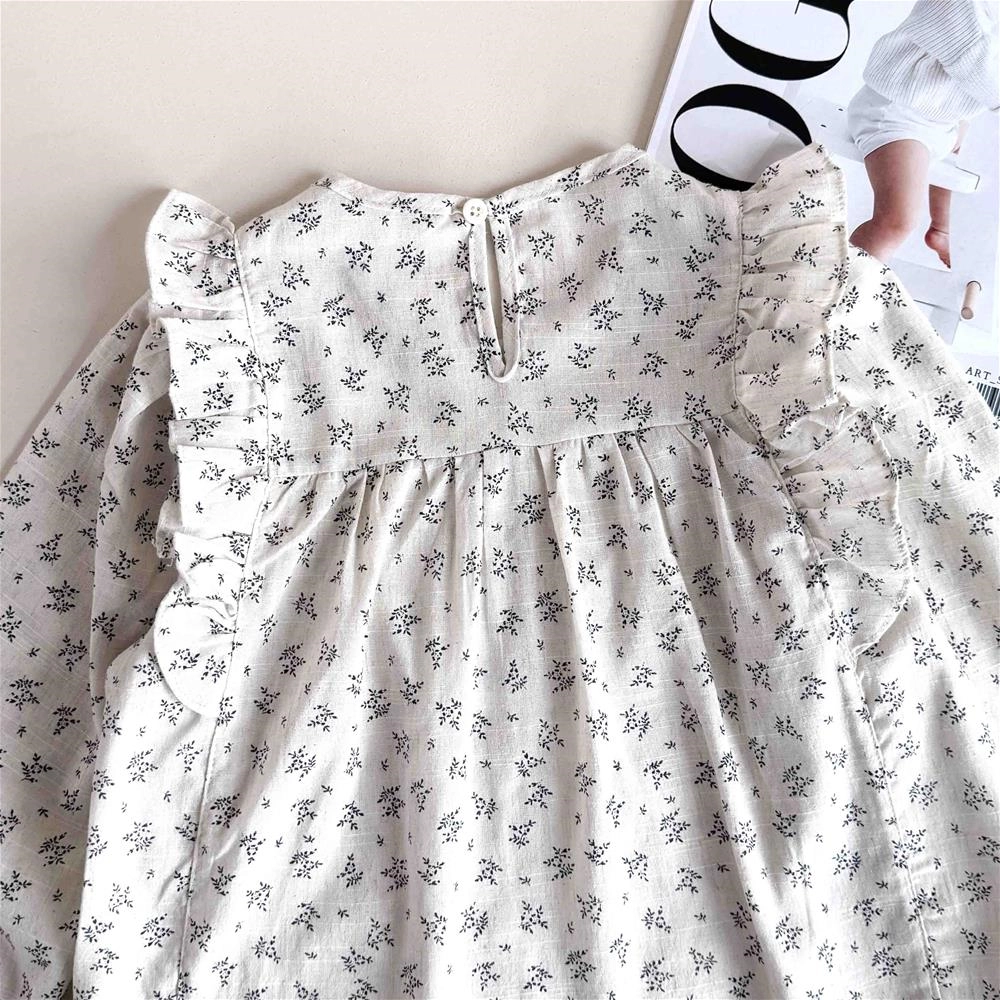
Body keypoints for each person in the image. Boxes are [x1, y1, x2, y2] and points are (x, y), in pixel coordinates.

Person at [846, 0, 999, 266]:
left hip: (944, 119)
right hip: (897, 114)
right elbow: (972, 58)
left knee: (972, 153)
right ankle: (845, 284)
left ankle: (942, 228)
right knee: (897, 220)